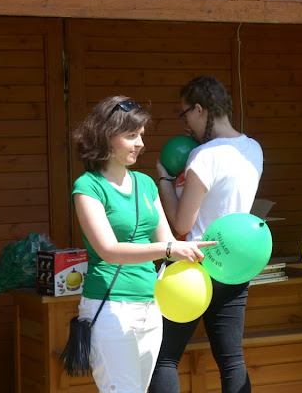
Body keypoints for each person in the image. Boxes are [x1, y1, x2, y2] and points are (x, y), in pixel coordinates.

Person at [72, 96, 215, 393]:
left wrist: (203, 250)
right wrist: (168, 250)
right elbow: (108, 250)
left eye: (141, 136)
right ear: (107, 135)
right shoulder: (88, 186)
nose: (140, 144)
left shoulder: (147, 184)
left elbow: (168, 243)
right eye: (131, 135)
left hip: (152, 307)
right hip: (110, 308)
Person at [149, 75, 263, 393]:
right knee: (231, 360)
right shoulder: (253, 149)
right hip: (233, 265)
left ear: (199, 110)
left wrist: (165, 180)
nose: (185, 124)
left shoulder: (205, 156)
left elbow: (183, 224)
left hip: (193, 265)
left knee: (166, 358)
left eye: (185, 114)